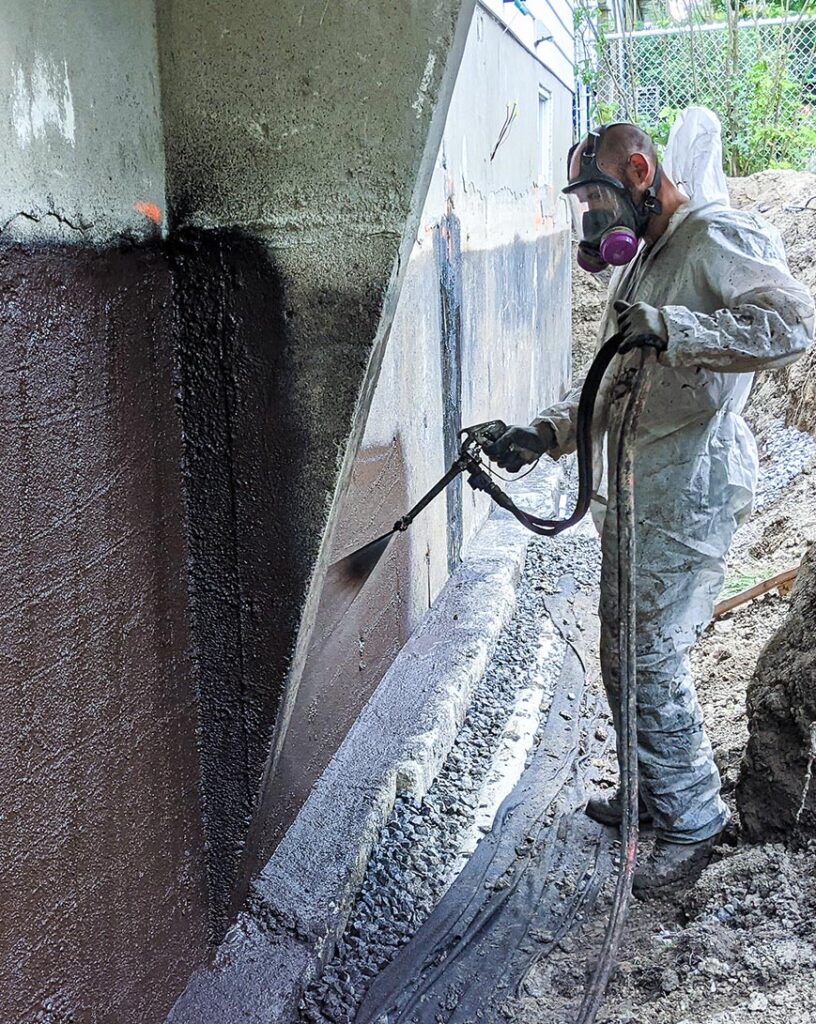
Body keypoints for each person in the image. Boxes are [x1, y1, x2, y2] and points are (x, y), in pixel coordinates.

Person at [484, 121, 815, 890]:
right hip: (636, 488)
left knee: (652, 655)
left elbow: (791, 323)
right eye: (583, 202)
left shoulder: (714, 236)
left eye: (598, 195)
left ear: (641, 170)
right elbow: (611, 378)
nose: (593, 217)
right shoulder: (638, 265)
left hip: (686, 485)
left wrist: (676, 328)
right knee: (618, 645)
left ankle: (693, 815)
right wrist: (543, 434)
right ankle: (650, 792)